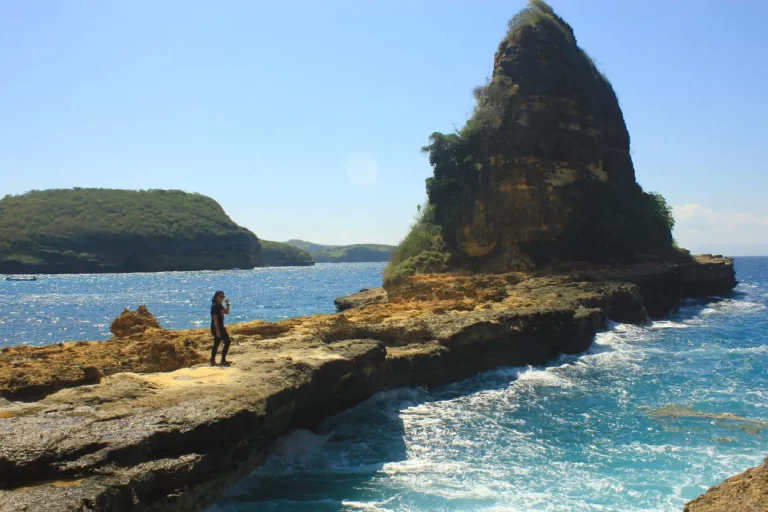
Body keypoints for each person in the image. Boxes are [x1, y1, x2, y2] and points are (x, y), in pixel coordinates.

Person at [210, 290, 231, 366]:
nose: (222, 298)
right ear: (216, 297)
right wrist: (217, 330)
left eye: (223, 297)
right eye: (220, 296)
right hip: (218, 327)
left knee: (216, 343)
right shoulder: (215, 306)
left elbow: (227, 312)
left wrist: (228, 304)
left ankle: (212, 360)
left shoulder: (219, 305)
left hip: (218, 327)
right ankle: (222, 360)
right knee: (227, 342)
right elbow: (215, 318)